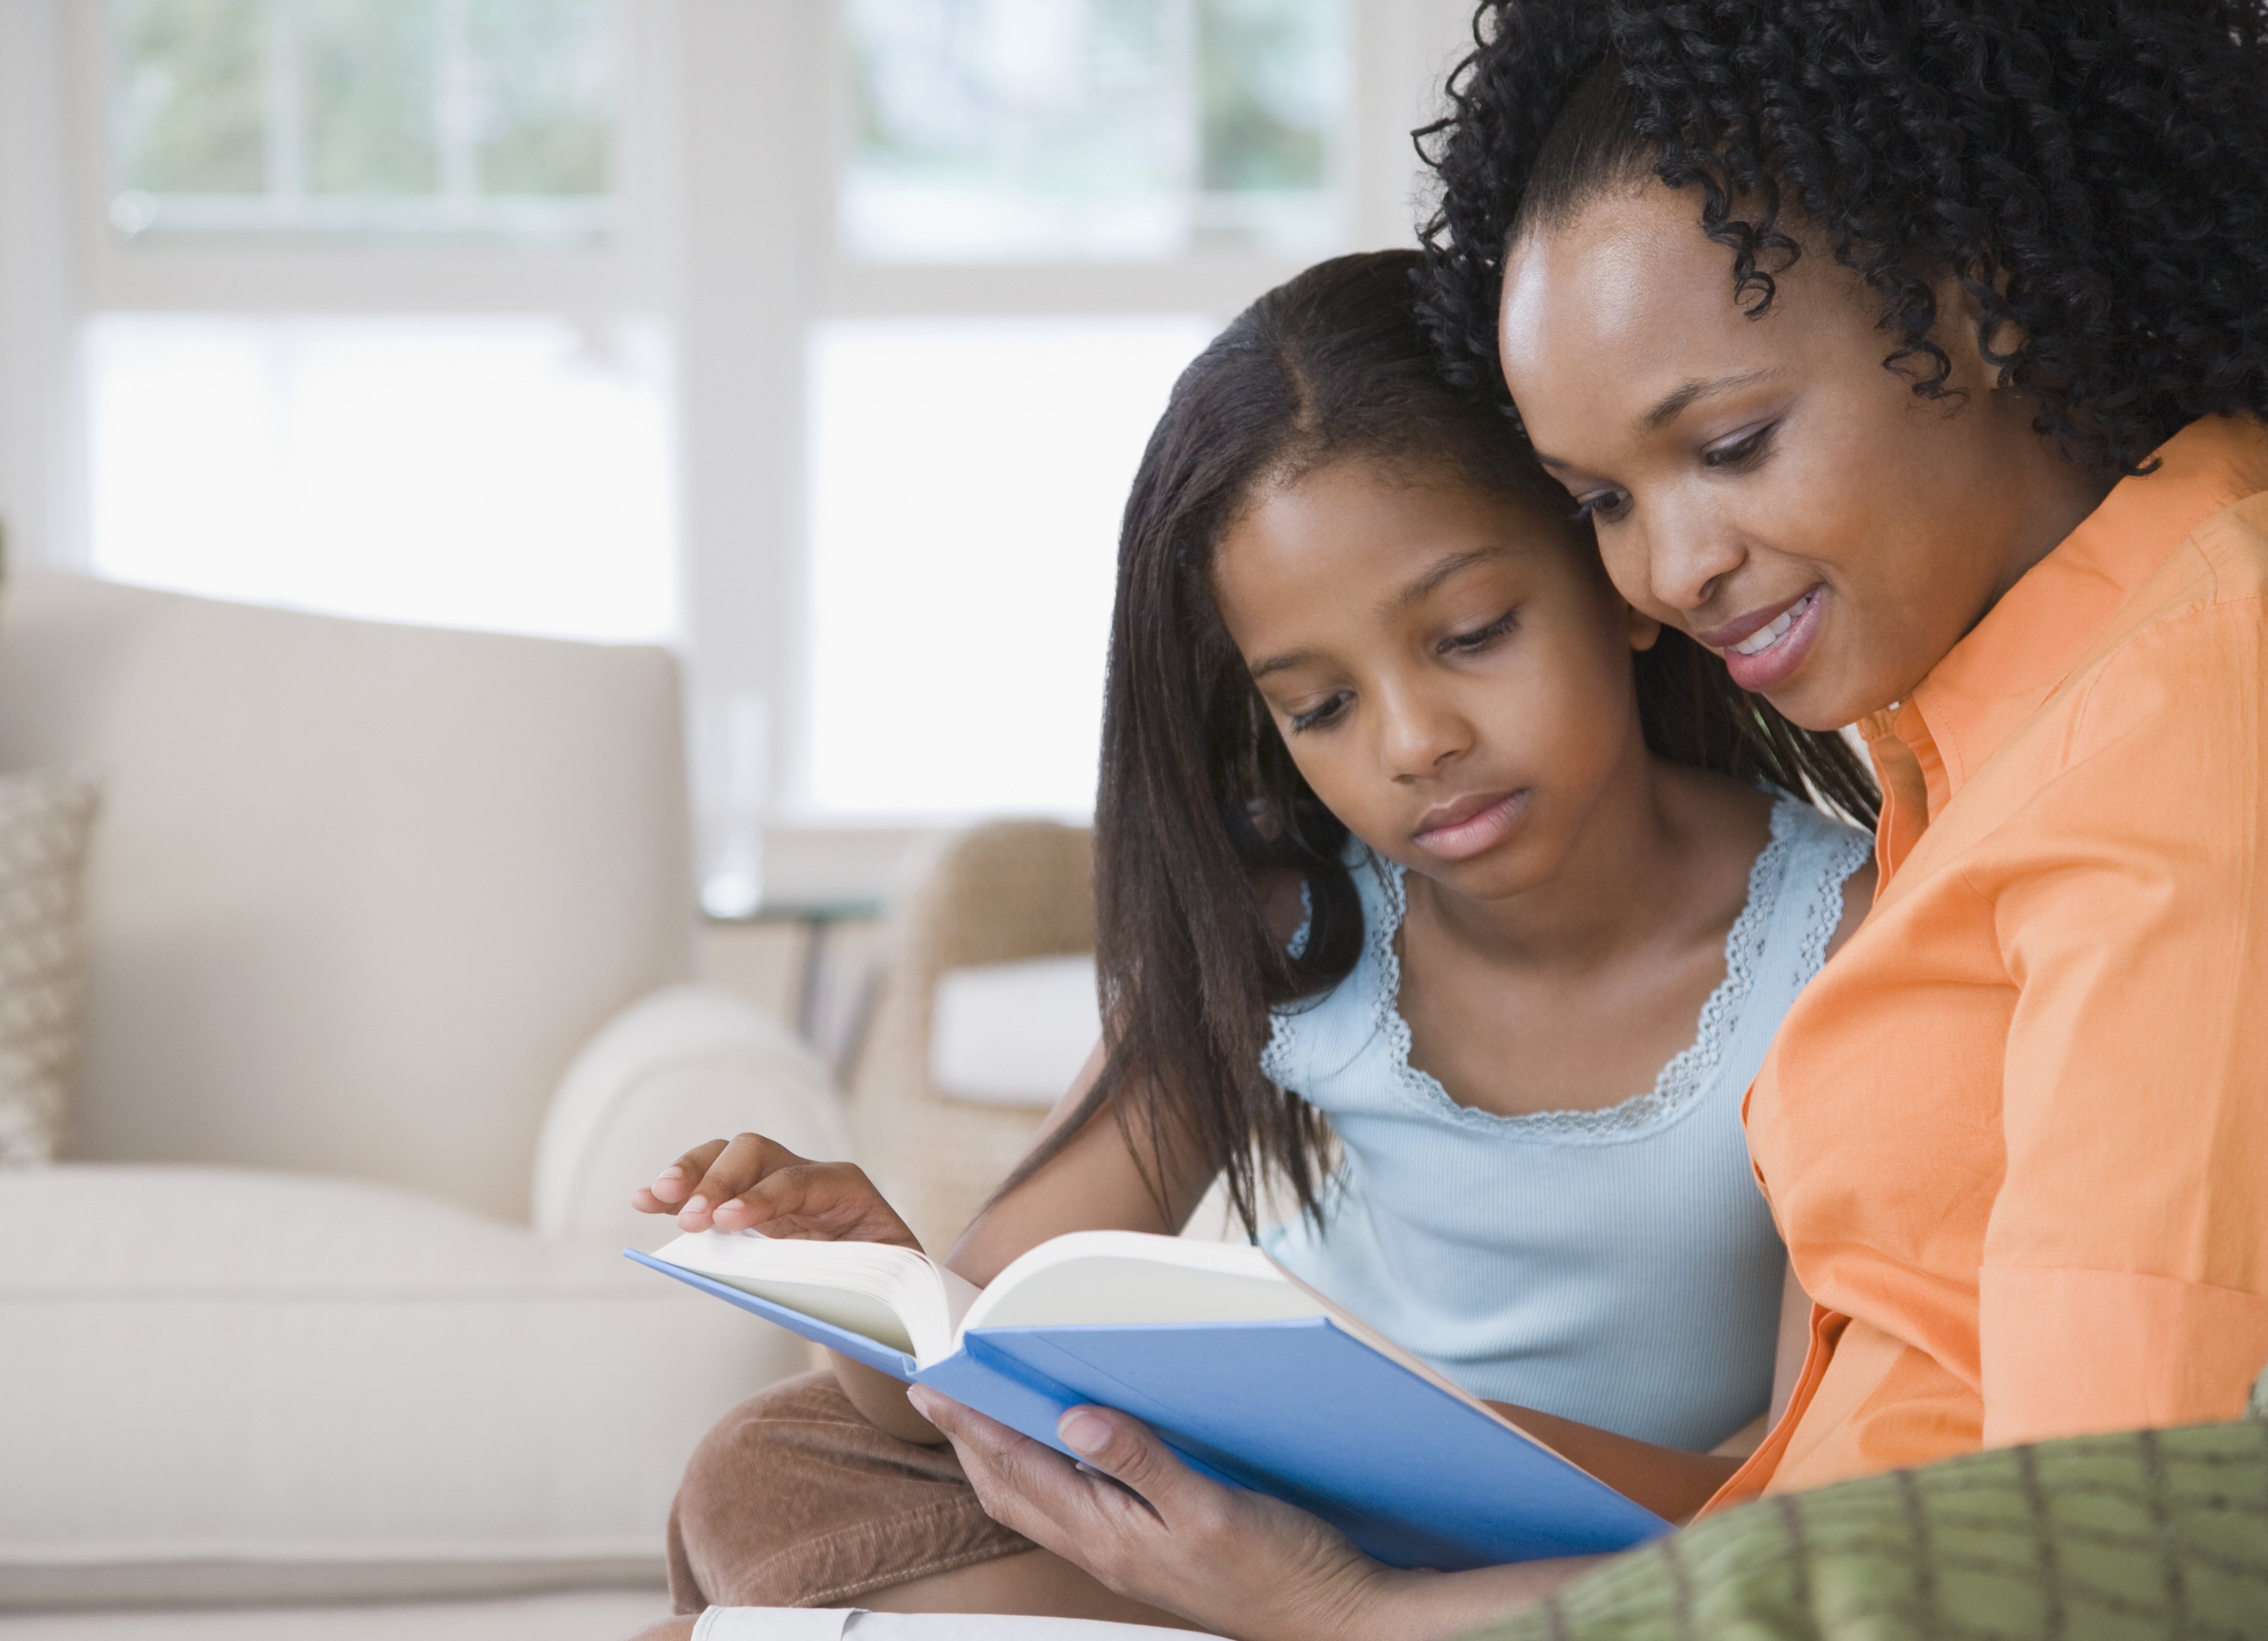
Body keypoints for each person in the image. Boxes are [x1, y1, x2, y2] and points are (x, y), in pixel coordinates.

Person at [885, 4, 2268, 1638]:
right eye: (1605, 500)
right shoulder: (1996, 702)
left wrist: (1343, 1614)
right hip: (1709, 1583)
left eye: (1730, 445)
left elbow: (2101, 1562)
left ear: (1974, 304)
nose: (1669, 574)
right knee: (794, 1513)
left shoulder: (2173, 739)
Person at [632, 248, 1877, 1640]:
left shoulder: (1842, 947)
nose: (1416, 746)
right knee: (767, 1473)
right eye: (1319, 707)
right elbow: (968, 1361)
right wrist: (874, 1276)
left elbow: (1804, 1496)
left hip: (1586, 1554)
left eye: (1470, 635)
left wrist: (1384, 1513)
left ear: (1612, 563)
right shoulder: (1295, 918)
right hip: (1243, 1499)